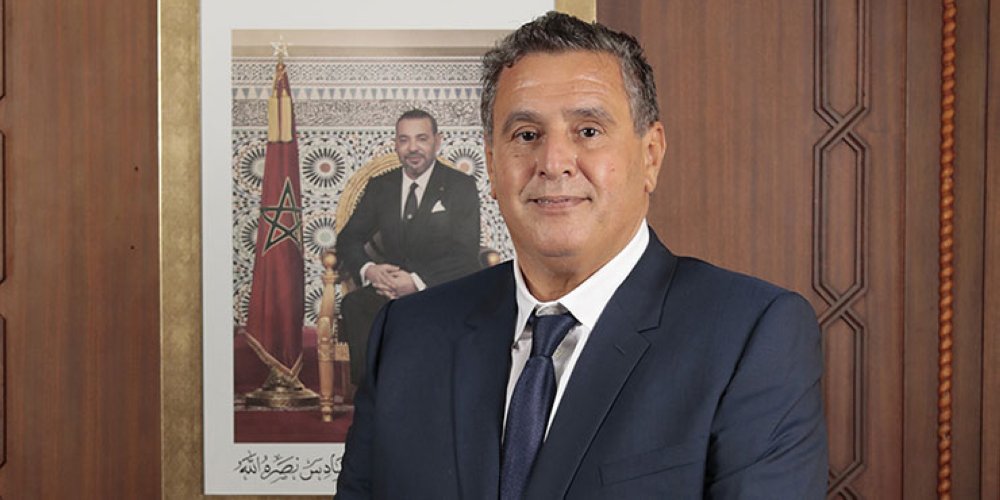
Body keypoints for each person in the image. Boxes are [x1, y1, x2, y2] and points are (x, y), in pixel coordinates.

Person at [337, 12, 827, 499]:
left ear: (651, 155)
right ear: (491, 164)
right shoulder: (406, 334)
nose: (553, 163)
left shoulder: (750, 335)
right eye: (526, 135)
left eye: (588, 131)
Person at [335, 109, 481, 385]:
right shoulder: (381, 186)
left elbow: (465, 254)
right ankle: (374, 395)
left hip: (439, 290)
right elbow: (348, 238)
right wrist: (370, 270)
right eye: (404, 140)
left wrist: (415, 282)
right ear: (396, 145)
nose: (412, 148)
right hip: (387, 290)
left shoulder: (460, 186)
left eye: (421, 138)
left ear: (437, 141)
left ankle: (429, 398)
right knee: (355, 304)